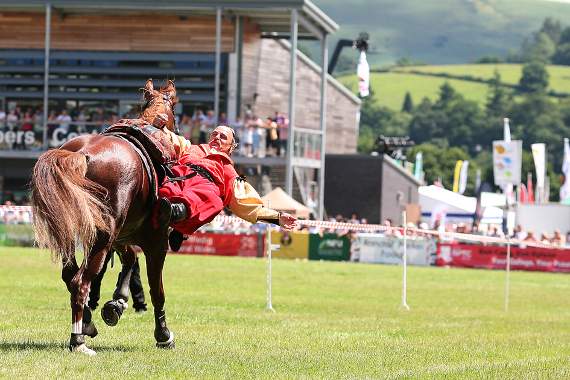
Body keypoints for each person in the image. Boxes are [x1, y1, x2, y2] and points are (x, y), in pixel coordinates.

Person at [157, 125, 297, 250]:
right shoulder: (189, 146)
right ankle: (170, 219)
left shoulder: (230, 171)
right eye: (214, 134)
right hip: (177, 176)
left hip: (203, 186)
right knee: (163, 183)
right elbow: (171, 138)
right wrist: (158, 124)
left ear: (231, 147)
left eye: (223, 137)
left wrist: (277, 218)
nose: (217, 137)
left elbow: (247, 204)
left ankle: (175, 215)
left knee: (213, 201)